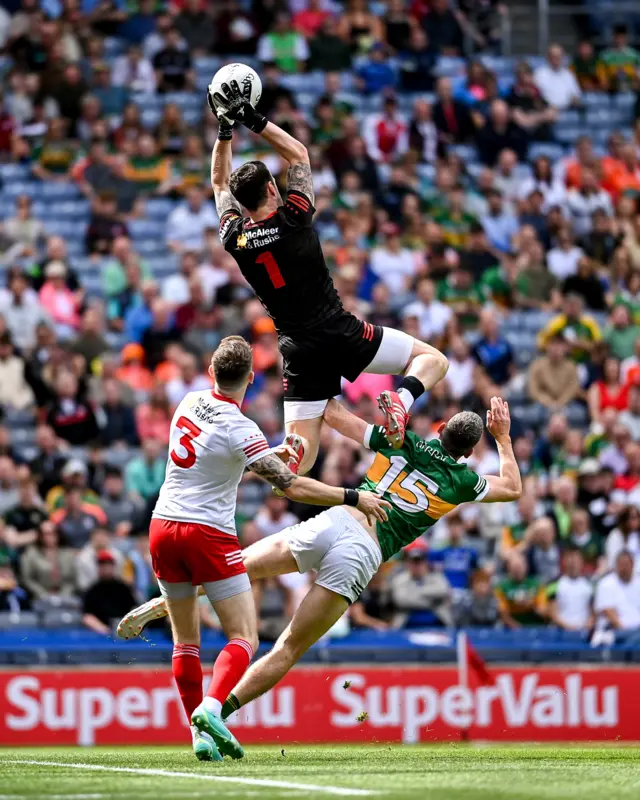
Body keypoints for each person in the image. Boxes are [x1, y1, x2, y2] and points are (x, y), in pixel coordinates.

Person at [119, 395, 521, 731]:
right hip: (365, 550)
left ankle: (162, 605)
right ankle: (215, 712)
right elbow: (513, 488)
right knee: (289, 646)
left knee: (238, 566)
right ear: (468, 452)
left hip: (337, 517)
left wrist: (327, 374)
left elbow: (333, 415)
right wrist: (502, 437)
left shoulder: (402, 440)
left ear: (440, 427)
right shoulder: (464, 481)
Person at [123, 335, 389, 762]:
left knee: (185, 641)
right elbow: (291, 485)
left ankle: (197, 735)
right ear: (250, 377)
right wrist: (353, 496)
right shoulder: (241, 427)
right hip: (206, 533)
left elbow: (218, 461)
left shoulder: (188, 402)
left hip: (162, 527)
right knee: (243, 637)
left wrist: (272, 454)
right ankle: (212, 710)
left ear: (211, 371)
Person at [207, 79, 449, 475]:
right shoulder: (295, 217)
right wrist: (252, 119)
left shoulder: (235, 236)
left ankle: (243, 459)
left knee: (297, 468)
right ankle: (400, 402)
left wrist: (224, 130)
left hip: (299, 350)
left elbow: (219, 183)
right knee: (432, 360)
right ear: (272, 188)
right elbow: (299, 155)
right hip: (339, 332)